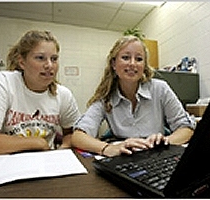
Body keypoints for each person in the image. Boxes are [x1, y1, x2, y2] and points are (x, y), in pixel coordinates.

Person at [62, 35, 196, 157]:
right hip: (125, 157)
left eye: (138, 59)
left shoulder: (160, 89)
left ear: (144, 65)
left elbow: (186, 128)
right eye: (126, 57)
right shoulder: (106, 96)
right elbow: (78, 136)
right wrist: (107, 148)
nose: (132, 63)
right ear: (114, 63)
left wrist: (165, 142)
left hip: (157, 155)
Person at [0, 30, 81, 157]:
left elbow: (71, 134)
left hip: (44, 164)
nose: (49, 65)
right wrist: (37, 143)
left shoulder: (63, 94)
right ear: (22, 62)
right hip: (3, 164)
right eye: (40, 58)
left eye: (54, 59)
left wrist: (62, 150)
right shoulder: (2, 83)